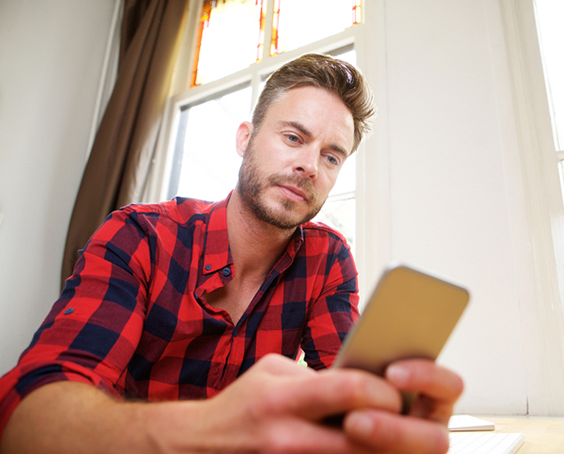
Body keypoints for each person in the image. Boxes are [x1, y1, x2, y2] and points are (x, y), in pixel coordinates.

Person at [0, 54, 464, 453]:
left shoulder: (327, 258)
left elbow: (342, 394)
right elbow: (26, 415)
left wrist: (380, 419)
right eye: (294, 138)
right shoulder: (139, 235)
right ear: (245, 138)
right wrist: (211, 430)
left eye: (331, 157)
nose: (308, 165)